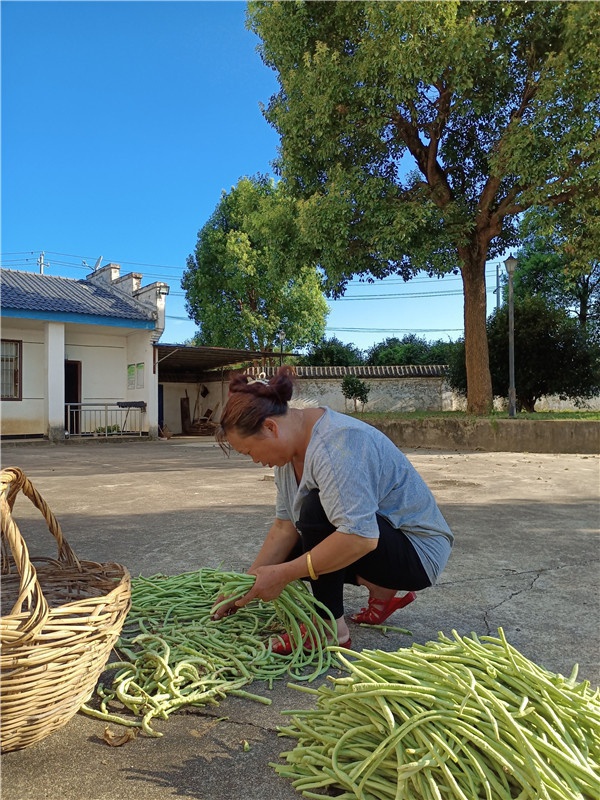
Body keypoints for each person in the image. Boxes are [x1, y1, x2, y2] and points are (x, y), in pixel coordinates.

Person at [212, 366, 453, 652]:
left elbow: (360, 536)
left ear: (270, 428)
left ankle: (328, 628)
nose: (255, 461)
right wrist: (243, 588)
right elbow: (284, 527)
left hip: (417, 553)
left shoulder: (335, 444)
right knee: (286, 554)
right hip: (381, 540)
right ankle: (380, 587)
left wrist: (283, 575)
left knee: (316, 511)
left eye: (250, 452)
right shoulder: (287, 457)